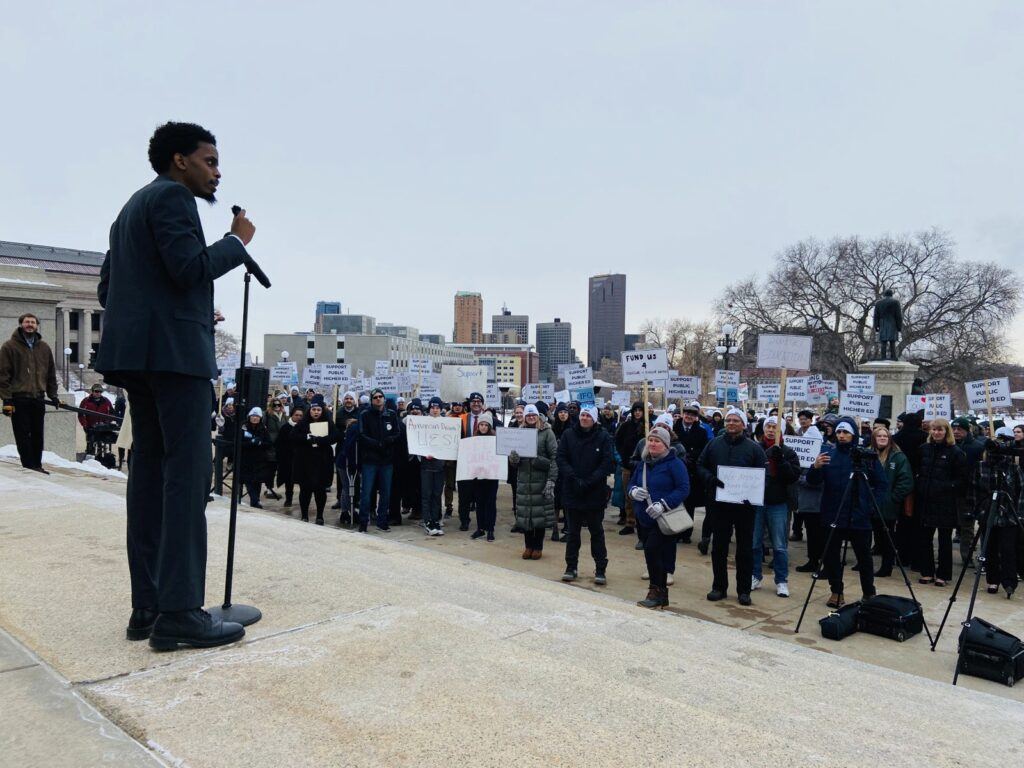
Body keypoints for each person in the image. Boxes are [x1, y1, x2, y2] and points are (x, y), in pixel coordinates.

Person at [95, 121, 256, 649]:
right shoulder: (174, 199)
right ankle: (182, 612)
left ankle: (149, 608)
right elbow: (189, 269)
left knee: (149, 476)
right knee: (187, 480)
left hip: (140, 360)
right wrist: (236, 241)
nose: (217, 172)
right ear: (180, 160)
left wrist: (171, 312)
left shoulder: (129, 210)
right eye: (209, 161)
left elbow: (108, 288)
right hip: (176, 362)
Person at [807, 417, 888, 608]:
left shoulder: (866, 456)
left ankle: (869, 592)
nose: (842, 436)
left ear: (854, 435)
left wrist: (869, 505)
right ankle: (836, 590)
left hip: (859, 516)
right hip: (833, 514)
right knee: (832, 556)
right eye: (839, 433)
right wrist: (815, 467)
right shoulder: (827, 453)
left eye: (846, 433)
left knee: (864, 557)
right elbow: (813, 481)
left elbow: (882, 484)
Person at [697, 408, 767, 606]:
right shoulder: (714, 444)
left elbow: (763, 475)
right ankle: (719, 586)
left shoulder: (754, 449)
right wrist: (710, 479)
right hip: (719, 505)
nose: (731, 423)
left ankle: (744, 590)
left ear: (744, 425)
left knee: (744, 550)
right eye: (728, 420)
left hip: (745, 507)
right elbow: (700, 465)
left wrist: (752, 493)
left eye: (736, 420)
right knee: (719, 547)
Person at [629, 426, 690, 609]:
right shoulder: (644, 463)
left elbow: (683, 489)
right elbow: (632, 482)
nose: (653, 444)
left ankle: (655, 591)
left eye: (657, 441)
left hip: (665, 518)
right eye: (650, 440)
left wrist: (663, 503)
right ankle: (661, 594)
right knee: (653, 554)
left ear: (665, 444)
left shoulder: (675, 464)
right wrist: (633, 491)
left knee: (652, 550)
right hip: (645, 516)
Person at [557, 405, 614, 585]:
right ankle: (571, 567)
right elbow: (561, 458)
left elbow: (607, 462)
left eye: (588, 415)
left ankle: (600, 569)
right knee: (573, 533)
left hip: (594, 492)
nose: (584, 418)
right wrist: (573, 477)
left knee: (596, 532)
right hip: (572, 490)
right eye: (582, 415)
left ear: (594, 418)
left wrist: (590, 481)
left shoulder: (603, 436)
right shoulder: (568, 435)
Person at [0, 313, 59, 473]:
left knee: (38, 434)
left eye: (33, 322)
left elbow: (51, 374)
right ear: (20, 324)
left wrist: (53, 395)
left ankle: (37, 465)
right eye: (27, 322)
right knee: (22, 435)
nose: (30, 325)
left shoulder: (44, 348)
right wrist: (7, 400)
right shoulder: (9, 347)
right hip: (19, 399)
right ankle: (28, 465)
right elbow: (3, 375)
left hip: (38, 398)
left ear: (37, 326)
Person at [751, 417, 800, 597]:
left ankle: (781, 581)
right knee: (755, 543)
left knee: (779, 545)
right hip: (757, 502)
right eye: (769, 427)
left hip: (778, 503)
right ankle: (755, 575)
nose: (771, 430)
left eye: (776, 427)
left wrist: (781, 461)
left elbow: (793, 477)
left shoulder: (788, 452)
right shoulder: (756, 448)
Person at [916, 418, 967, 587]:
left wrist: (945, 487)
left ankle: (943, 575)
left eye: (940, 430)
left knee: (945, 540)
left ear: (946, 432)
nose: (937, 433)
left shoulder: (955, 452)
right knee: (924, 538)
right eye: (934, 429)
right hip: (926, 500)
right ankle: (927, 571)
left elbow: (962, 479)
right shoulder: (924, 449)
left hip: (945, 501)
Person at [967, 445, 1022, 598]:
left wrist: (1018, 513)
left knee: (1007, 549)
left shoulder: (1012, 468)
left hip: (1008, 515)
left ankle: (1009, 581)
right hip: (987, 513)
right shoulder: (980, 467)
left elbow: (1020, 490)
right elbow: (973, 490)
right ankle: (993, 580)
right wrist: (977, 510)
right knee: (989, 548)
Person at [510, 404, 558, 559]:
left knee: (539, 515)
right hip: (524, 480)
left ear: (538, 416)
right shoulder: (520, 433)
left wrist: (551, 479)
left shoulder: (547, 432)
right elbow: (514, 461)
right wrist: (514, 459)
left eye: (533, 415)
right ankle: (528, 546)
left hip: (541, 480)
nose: (531, 417)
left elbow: (554, 458)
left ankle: (538, 547)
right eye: (528, 415)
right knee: (526, 516)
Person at [869, 426, 914, 577]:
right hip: (870, 503)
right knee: (871, 535)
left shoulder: (898, 457)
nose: (882, 438)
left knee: (887, 536)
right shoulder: (868, 454)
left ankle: (886, 566)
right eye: (879, 436)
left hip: (888, 505)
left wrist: (893, 497)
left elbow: (906, 481)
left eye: (885, 436)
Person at [357, 388, 401, 532]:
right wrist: (376, 444)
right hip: (370, 460)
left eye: (380, 396)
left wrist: (388, 441)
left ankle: (382, 521)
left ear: (384, 398)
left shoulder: (391, 414)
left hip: (386, 461)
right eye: (375, 397)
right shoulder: (365, 414)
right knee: (367, 493)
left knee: (385, 492)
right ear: (371, 399)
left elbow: (397, 433)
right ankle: (363, 522)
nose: (378, 399)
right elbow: (362, 435)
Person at [290, 402, 337, 524]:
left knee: (320, 490)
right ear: (310, 411)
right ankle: (304, 515)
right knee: (305, 490)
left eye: (319, 410)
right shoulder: (302, 423)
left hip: (322, 461)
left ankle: (320, 516)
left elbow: (335, 436)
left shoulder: (328, 423)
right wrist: (306, 437)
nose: (316, 412)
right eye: (314, 409)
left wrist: (321, 440)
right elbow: (293, 436)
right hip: (305, 461)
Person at [674, 401, 709, 552]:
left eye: (692, 414)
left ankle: (686, 532)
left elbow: (703, 450)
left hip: (691, 471)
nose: (688, 416)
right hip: (675, 469)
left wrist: (691, 456)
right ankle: (675, 531)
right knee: (675, 502)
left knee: (689, 504)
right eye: (687, 413)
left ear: (696, 417)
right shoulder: (674, 428)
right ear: (683, 415)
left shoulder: (701, 432)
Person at [952, 416, 985, 565]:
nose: (956, 432)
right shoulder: (950, 445)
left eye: (959, 429)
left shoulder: (977, 447)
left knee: (967, 526)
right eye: (954, 429)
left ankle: (967, 556)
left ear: (967, 430)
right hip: (952, 489)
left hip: (970, 491)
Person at [794, 425, 826, 573]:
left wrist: (801, 479)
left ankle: (823, 563)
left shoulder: (824, 457)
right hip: (807, 502)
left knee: (820, 535)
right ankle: (813, 561)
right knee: (812, 534)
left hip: (819, 503)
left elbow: (818, 481)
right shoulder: (801, 456)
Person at [614, 402, 647, 535]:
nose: (637, 412)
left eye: (640, 410)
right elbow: (618, 441)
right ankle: (630, 522)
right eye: (635, 410)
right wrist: (623, 457)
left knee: (643, 495)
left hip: (644, 466)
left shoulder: (648, 427)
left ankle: (642, 522)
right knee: (629, 495)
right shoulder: (626, 426)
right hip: (628, 465)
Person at [419, 396, 447, 536]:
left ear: (441, 409)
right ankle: (427, 520)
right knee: (427, 494)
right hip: (426, 465)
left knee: (437, 494)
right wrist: (423, 453)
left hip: (440, 466)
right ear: (429, 409)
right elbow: (417, 441)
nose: (435, 410)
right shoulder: (422, 423)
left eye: (437, 408)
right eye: (433, 407)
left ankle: (435, 519)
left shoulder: (446, 424)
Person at [469, 412, 499, 541]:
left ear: (489, 427)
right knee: (479, 502)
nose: (483, 427)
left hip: (491, 476)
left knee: (490, 503)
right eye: (481, 424)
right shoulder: (473, 440)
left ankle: (490, 529)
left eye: (485, 425)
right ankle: (480, 528)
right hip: (478, 476)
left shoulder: (495, 440)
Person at [331, 391, 359, 511]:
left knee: (355, 475)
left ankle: (355, 499)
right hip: (341, 447)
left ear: (354, 401)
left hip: (355, 448)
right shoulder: (338, 413)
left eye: (351, 399)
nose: (348, 400)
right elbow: (334, 430)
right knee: (341, 475)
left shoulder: (359, 413)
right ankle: (340, 499)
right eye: (346, 398)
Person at [238, 407, 269, 508]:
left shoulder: (263, 428)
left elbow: (268, 443)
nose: (255, 418)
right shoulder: (243, 427)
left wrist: (260, 443)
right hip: (246, 459)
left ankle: (255, 500)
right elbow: (239, 442)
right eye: (253, 416)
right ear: (249, 417)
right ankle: (255, 500)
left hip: (259, 460)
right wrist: (250, 443)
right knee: (248, 480)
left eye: (257, 416)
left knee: (257, 482)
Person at [275, 407, 303, 507]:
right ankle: (288, 499)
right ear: (292, 415)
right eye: (296, 415)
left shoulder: (304, 427)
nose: (299, 417)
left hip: (301, 459)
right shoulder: (285, 427)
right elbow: (279, 444)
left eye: (300, 415)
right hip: (288, 458)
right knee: (288, 481)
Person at [80, 383, 116, 455]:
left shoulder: (106, 401)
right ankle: (90, 456)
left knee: (102, 445)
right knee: (90, 445)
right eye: (96, 391)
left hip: (103, 427)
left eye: (100, 392)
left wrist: (108, 422)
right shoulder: (86, 401)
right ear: (92, 391)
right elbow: (80, 414)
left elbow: (112, 412)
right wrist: (84, 424)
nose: (98, 393)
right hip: (90, 427)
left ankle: (102, 459)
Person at [262, 397, 285, 501]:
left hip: (280, 445)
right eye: (274, 405)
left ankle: (272, 487)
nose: (276, 407)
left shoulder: (283, 415)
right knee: (270, 468)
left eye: (278, 405)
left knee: (276, 468)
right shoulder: (267, 414)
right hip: (271, 444)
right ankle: (269, 488)